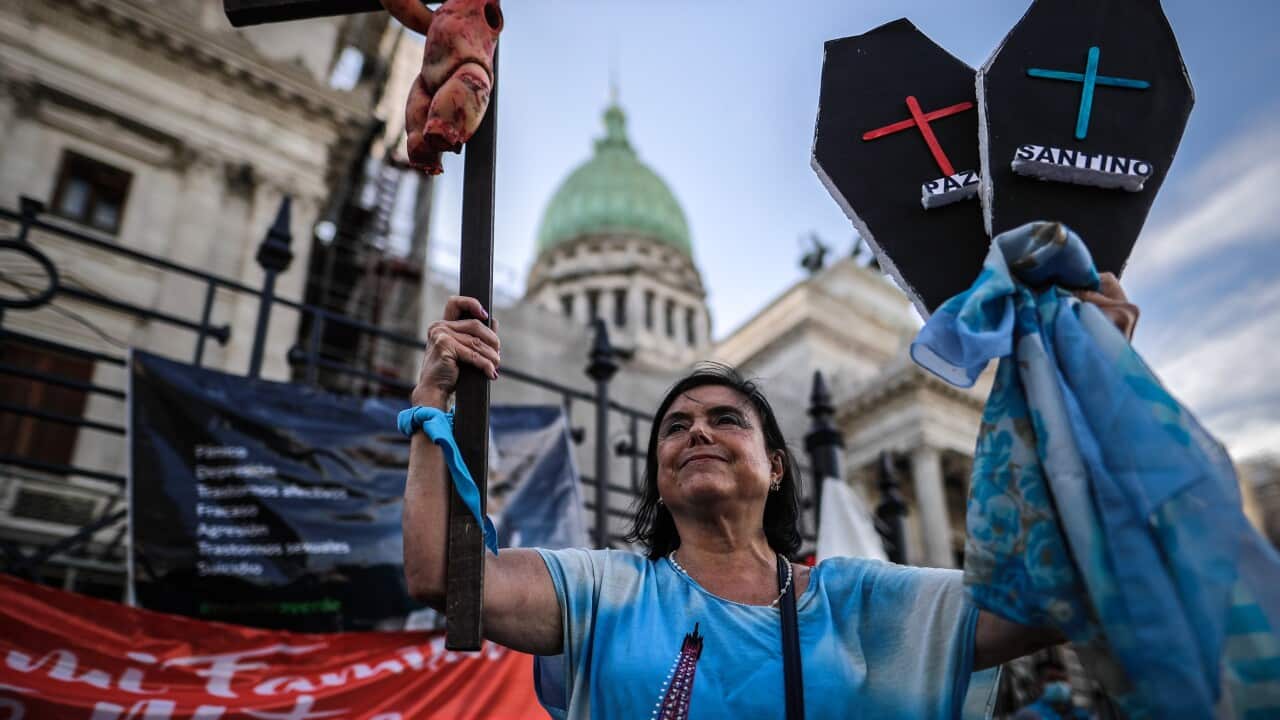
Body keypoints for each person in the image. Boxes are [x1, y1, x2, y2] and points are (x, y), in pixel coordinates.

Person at [402, 277, 1139, 719]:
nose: (698, 433)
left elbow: (1047, 597)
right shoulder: (605, 590)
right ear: (658, 471)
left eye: (727, 419)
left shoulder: (853, 601)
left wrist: (1090, 395)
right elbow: (443, 573)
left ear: (777, 465)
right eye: (676, 427)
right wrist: (433, 401)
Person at [1013, 657, 1093, 720]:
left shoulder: (1080, 714)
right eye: (1052, 679)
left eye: (1063, 679)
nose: (1059, 684)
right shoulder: (1028, 715)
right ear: (1037, 684)